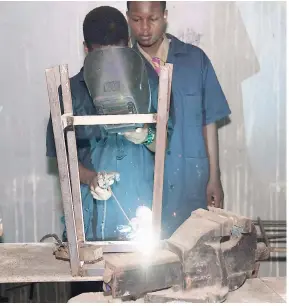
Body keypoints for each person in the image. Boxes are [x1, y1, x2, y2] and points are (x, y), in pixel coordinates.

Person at [46, 6, 171, 243]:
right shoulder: (70, 94)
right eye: (101, 57)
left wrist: (147, 136)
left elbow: (168, 148)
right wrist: (90, 177)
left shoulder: (152, 85)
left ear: (128, 46)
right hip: (88, 229)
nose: (111, 66)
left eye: (117, 54)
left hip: (141, 225)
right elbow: (63, 161)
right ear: (86, 50)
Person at [127, 1, 231, 238]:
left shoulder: (195, 60)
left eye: (152, 19)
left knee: (194, 257)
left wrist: (214, 175)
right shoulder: (123, 67)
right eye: (136, 19)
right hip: (144, 185)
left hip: (191, 180)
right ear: (127, 18)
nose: (144, 28)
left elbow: (209, 121)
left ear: (164, 16)